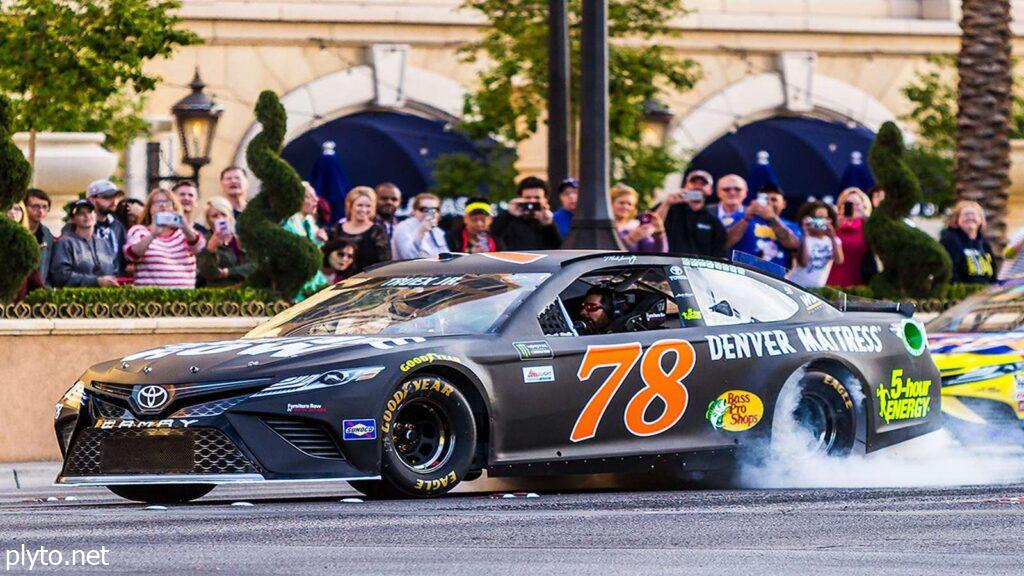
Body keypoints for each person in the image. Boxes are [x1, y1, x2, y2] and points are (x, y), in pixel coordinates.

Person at [124, 188, 205, 289]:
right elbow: (132, 255)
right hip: (151, 298)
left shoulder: (183, 233)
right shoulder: (139, 231)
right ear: (150, 209)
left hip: (182, 297)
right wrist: (153, 234)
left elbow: (198, 246)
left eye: (168, 202)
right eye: (158, 202)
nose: (163, 206)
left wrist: (184, 225)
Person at [725, 180, 801, 268]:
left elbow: (793, 245)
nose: (769, 203)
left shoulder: (791, 226)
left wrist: (772, 218)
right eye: (765, 199)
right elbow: (725, 242)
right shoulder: (738, 217)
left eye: (774, 199)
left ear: (784, 204)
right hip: (740, 273)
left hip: (774, 278)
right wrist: (746, 218)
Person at [49, 200, 120, 287]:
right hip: (75, 298)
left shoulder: (105, 244)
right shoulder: (64, 243)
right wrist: (96, 281)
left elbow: (115, 271)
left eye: (90, 212)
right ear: (72, 219)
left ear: (95, 215)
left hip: (106, 297)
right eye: (80, 213)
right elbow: (60, 276)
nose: (86, 216)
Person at [654, 171, 726, 257]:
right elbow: (651, 227)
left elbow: (719, 253)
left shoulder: (714, 222)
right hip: (668, 263)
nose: (698, 186)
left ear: (710, 190)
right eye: (693, 182)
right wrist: (667, 203)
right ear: (685, 186)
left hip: (698, 268)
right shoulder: (670, 208)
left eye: (703, 184)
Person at [196, 197, 256, 287]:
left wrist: (226, 272)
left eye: (224, 214)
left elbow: (255, 266)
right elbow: (208, 274)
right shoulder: (203, 241)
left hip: (247, 292)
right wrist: (211, 250)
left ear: (230, 216)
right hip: (221, 293)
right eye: (214, 216)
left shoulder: (242, 238)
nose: (220, 219)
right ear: (208, 221)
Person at [491, 176, 562, 251]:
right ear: (520, 198)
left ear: (545, 199)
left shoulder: (551, 219)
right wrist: (510, 214)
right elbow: (494, 235)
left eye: (537, 198)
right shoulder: (509, 218)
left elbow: (559, 247)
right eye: (527, 198)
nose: (532, 201)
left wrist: (549, 225)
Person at [330, 186, 391, 273]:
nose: (364, 210)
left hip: (367, 282)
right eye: (360, 205)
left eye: (368, 206)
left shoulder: (378, 231)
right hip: (338, 282)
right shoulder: (337, 228)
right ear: (350, 206)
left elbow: (385, 264)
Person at [827, 187, 878, 287]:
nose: (852, 207)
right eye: (848, 204)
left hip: (857, 285)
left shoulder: (868, 227)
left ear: (864, 206)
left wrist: (865, 217)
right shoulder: (833, 226)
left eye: (856, 204)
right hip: (829, 283)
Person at [788, 201, 844, 288]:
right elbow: (803, 263)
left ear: (830, 220)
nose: (820, 222)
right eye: (816, 218)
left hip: (816, 290)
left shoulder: (834, 240)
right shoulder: (801, 237)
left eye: (823, 218)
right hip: (795, 286)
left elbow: (839, 260)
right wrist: (805, 234)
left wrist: (832, 237)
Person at [940, 200, 996, 285]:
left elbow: (993, 275)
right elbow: (950, 273)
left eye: (973, 214)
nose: (970, 217)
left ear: (981, 220)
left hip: (984, 295)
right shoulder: (949, 241)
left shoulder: (985, 245)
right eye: (966, 215)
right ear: (957, 220)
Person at [84, 179, 127, 276]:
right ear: (91, 200)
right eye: (107, 197)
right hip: (90, 284)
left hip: (116, 283)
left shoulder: (117, 226)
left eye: (115, 197)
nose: (113, 201)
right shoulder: (81, 225)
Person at [391, 193, 449, 260]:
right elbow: (408, 258)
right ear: (414, 211)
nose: (429, 213)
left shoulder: (438, 232)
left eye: (434, 209)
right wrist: (421, 231)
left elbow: (446, 257)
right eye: (424, 209)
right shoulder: (403, 227)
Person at [612, 184, 667, 253]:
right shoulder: (603, 226)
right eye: (622, 203)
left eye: (629, 204)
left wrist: (659, 234)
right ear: (611, 203)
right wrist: (630, 239)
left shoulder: (635, 226)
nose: (625, 207)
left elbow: (656, 252)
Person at [24, 189, 55, 287]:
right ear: (24, 207)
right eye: (35, 206)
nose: (40, 211)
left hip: (38, 289)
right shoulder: (15, 231)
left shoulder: (47, 235)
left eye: (45, 207)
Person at [283, 182, 328, 246]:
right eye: (308, 197)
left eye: (315, 195)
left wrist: (320, 241)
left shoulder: (310, 223)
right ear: (297, 199)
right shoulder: (287, 224)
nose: (316, 199)